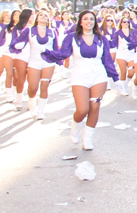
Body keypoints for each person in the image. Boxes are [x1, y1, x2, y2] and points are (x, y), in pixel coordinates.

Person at [42, 10, 119, 150]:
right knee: (83, 109)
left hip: (98, 75)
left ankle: (88, 138)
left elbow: (107, 59)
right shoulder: (72, 37)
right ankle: (75, 126)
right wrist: (48, 53)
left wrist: (116, 78)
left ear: (95, 22)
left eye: (92, 19)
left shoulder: (101, 39)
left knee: (95, 107)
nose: (89, 21)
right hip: (79, 76)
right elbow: (63, 53)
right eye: (86, 19)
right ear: (80, 22)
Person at [14, 10, 58, 120]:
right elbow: (19, 41)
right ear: (37, 18)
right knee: (33, 87)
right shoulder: (29, 30)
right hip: (34, 61)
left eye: (45, 15)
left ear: (48, 19)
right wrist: (17, 46)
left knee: (44, 86)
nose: (43, 17)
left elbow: (56, 49)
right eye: (40, 15)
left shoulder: (53, 31)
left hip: (48, 62)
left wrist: (60, 63)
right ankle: (31, 103)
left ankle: (41, 111)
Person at [6, 9, 34, 110]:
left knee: (32, 81)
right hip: (21, 55)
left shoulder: (35, 28)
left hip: (33, 56)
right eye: (32, 14)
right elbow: (14, 41)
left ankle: (31, 102)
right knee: (20, 78)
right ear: (27, 15)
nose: (34, 16)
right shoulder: (17, 28)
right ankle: (18, 100)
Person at [114, 16, 135, 96]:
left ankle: (125, 84)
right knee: (123, 72)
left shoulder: (133, 31)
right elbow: (114, 44)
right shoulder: (117, 33)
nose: (126, 23)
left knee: (131, 72)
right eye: (124, 22)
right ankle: (123, 90)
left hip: (131, 54)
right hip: (121, 54)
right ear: (121, 23)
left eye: (128, 22)